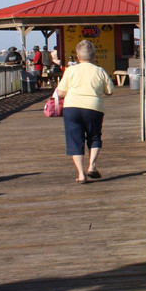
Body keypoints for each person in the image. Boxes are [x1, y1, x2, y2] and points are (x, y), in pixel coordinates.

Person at [55, 39, 113, 183]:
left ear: (78, 56)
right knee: (94, 136)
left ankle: (81, 174)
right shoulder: (99, 71)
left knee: (75, 139)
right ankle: (92, 165)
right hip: (93, 107)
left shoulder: (71, 70)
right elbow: (110, 91)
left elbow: (61, 92)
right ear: (93, 55)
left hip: (72, 107)